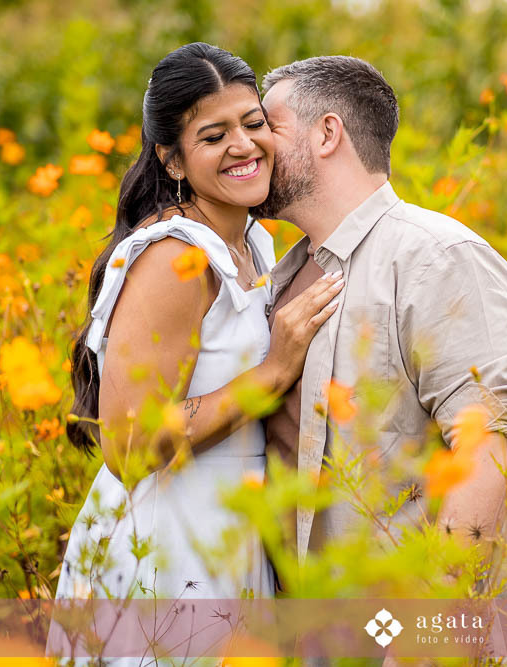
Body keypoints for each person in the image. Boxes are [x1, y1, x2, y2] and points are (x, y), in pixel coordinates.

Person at [51, 43, 341, 662]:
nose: (244, 145)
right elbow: (128, 446)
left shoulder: (257, 243)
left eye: (253, 123)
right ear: (172, 159)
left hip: (230, 533)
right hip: (165, 541)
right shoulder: (174, 259)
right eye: (214, 135)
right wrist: (272, 372)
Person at [254, 56, 507, 607]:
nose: (254, 144)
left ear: (327, 133)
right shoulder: (284, 274)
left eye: (270, 126)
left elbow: (489, 451)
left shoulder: (438, 258)